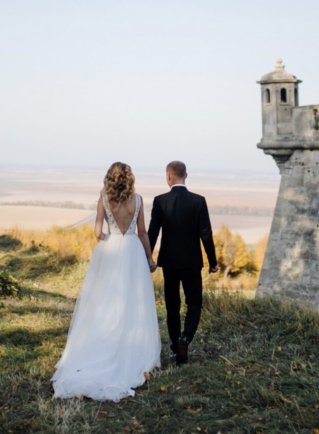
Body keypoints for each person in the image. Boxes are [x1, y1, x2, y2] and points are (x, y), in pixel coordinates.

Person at [51, 162, 160, 401]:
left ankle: (100, 342)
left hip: (110, 251)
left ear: (109, 178)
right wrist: (149, 258)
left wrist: (108, 236)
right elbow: (142, 232)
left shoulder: (103, 198)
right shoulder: (138, 199)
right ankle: (131, 348)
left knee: (103, 300)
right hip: (132, 250)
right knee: (134, 301)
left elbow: (97, 231)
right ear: (130, 178)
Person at [147, 161, 218, 366]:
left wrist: (147, 258)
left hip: (169, 261)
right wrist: (213, 262)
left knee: (172, 305)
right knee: (194, 303)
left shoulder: (160, 201)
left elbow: (153, 232)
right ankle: (184, 339)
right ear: (186, 175)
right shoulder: (199, 201)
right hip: (192, 262)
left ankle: (175, 347)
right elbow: (206, 234)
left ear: (168, 177)